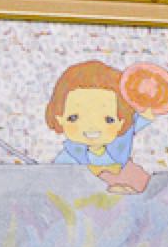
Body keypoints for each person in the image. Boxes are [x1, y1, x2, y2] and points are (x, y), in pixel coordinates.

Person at [46, 60, 150, 193]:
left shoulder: (122, 153)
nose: (91, 127)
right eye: (74, 118)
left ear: (121, 123)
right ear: (59, 118)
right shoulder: (68, 160)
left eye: (108, 120)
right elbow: (58, 187)